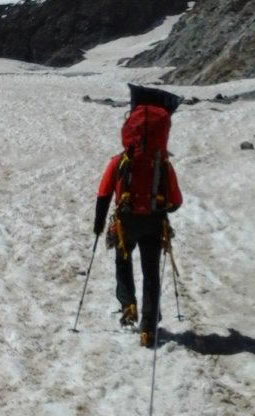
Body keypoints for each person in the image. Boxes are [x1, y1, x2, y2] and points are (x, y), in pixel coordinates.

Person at [93, 95, 182, 347]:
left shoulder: (120, 160)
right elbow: (176, 202)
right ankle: (149, 329)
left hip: (125, 222)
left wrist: (99, 225)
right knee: (151, 272)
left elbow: (103, 193)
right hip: (154, 222)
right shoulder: (162, 164)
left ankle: (127, 303)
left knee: (123, 260)